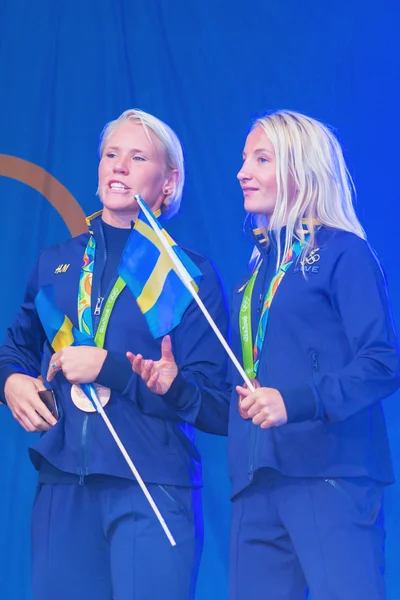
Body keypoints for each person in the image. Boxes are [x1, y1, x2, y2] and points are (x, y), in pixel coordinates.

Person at [131, 110, 400, 600]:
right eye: (242, 159)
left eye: (261, 159)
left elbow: (383, 363)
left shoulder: (343, 253)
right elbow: (242, 401)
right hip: (256, 488)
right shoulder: (252, 276)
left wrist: (293, 402)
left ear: (302, 170)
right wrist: (179, 388)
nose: (242, 172)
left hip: (329, 475)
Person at [0, 108, 229, 600]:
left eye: (137, 156)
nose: (119, 166)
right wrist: (11, 381)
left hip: (151, 487)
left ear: (168, 183)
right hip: (63, 489)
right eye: (111, 154)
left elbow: (218, 405)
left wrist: (114, 371)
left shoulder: (186, 275)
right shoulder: (57, 264)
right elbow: (15, 349)